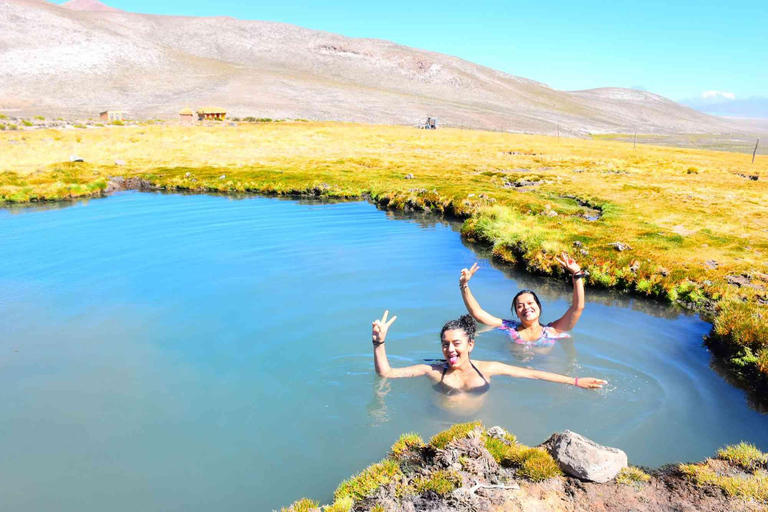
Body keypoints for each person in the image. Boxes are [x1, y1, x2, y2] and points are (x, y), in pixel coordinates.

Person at [371, 311, 606, 395]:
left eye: (456, 343)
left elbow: (533, 375)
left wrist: (576, 381)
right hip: (438, 425)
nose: (449, 349)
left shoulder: (489, 368)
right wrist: (379, 344)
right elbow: (387, 375)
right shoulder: (432, 370)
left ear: (470, 345)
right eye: (445, 344)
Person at [458, 254, 585, 353]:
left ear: (539, 307)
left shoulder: (553, 330)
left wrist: (577, 274)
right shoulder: (509, 327)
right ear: (517, 313)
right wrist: (464, 285)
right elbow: (478, 313)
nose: (526, 308)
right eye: (520, 306)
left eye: (530, 303)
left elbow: (577, 308)